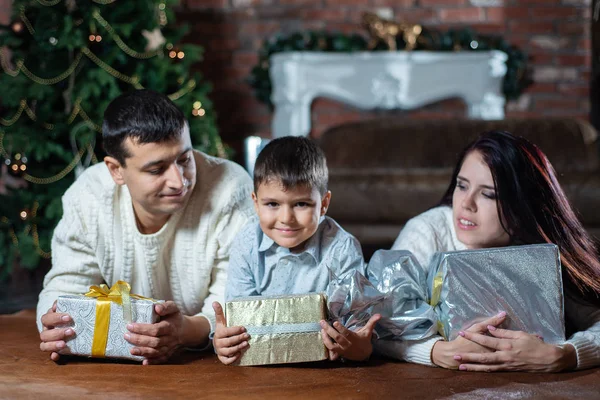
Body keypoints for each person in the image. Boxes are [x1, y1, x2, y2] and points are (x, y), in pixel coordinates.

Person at [37, 90, 254, 365]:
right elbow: (64, 286)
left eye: (185, 159)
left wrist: (186, 330)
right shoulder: (88, 196)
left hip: (210, 364)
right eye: (156, 170)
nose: (179, 181)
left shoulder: (231, 189)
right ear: (116, 170)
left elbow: (240, 301)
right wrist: (56, 325)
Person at [383, 130, 600, 372]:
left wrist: (566, 355)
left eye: (488, 194)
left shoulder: (540, 246)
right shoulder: (427, 231)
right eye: (462, 186)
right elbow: (379, 323)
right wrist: (434, 351)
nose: (466, 204)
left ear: (521, 206)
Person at [211, 136, 381, 365]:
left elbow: (358, 337)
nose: (286, 219)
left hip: (327, 373)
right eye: (272, 204)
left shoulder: (343, 248)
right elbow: (238, 324)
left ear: (324, 204)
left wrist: (358, 347)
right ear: (255, 203)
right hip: (259, 370)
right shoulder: (246, 242)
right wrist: (225, 342)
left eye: (301, 204)